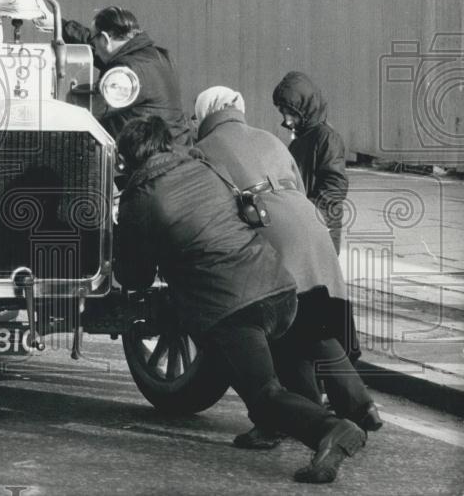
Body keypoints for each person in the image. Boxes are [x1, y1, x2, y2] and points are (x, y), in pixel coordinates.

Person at [115, 116, 367, 484]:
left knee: (263, 396)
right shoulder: (203, 169)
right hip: (277, 285)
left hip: (231, 306)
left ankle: (329, 431)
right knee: (286, 355)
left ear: (128, 159)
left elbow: (133, 277)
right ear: (165, 145)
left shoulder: (138, 197)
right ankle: (311, 433)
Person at [192, 86, 382, 449]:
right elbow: (295, 179)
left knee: (274, 334)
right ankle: (360, 406)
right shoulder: (268, 138)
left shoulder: (204, 150)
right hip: (310, 226)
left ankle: (285, 424)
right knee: (312, 327)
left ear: (205, 114)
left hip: (271, 235)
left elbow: (210, 209)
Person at [62, 6, 190, 145]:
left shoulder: (127, 70)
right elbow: (95, 46)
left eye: (94, 43)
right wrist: (58, 24)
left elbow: (91, 108)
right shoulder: (158, 56)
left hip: (152, 158)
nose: (95, 52)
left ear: (106, 39)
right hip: (176, 148)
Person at [272, 72, 349, 254]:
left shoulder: (327, 137)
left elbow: (335, 185)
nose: (287, 120)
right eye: (283, 113)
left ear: (306, 109)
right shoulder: (299, 141)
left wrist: (309, 214)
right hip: (307, 222)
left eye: (292, 114)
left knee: (321, 277)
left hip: (321, 225)